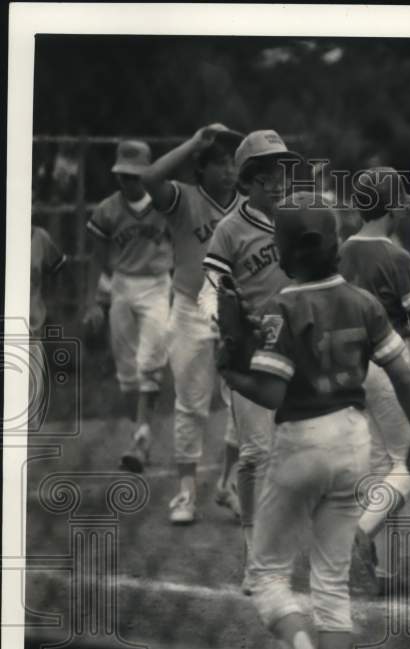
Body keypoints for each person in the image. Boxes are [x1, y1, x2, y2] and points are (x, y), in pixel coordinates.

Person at [222, 191, 410, 649]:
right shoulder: (362, 302)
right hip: (353, 441)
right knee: (332, 584)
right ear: (336, 245)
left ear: (283, 251)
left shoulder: (282, 306)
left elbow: (272, 393)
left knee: (268, 576)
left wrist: (231, 372)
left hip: (301, 440)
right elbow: (401, 372)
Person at [201, 130, 301, 570]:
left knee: (299, 450)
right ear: (248, 181)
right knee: (256, 453)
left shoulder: (298, 219)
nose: (278, 183)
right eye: (267, 176)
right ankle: (253, 554)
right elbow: (212, 288)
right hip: (252, 352)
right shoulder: (230, 229)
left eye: (281, 173)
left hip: (299, 348)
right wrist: (225, 326)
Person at [141, 123, 244, 523]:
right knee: (191, 403)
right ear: (201, 170)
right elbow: (150, 177)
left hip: (236, 311)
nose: (228, 172)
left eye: (232, 165)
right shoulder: (183, 198)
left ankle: (230, 482)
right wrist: (195, 142)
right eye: (218, 165)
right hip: (189, 308)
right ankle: (185, 491)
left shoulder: (248, 204)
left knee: (244, 401)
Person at [338, 166, 410, 592]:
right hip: (387, 363)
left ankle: (380, 570)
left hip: (347, 364)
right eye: (404, 199)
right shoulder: (396, 256)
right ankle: (359, 532)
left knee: (381, 465)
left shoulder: (341, 250)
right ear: (392, 206)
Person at [81, 140, 172, 471]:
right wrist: (93, 301)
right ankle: (141, 432)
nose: (129, 182)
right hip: (121, 285)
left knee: (150, 359)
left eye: (136, 176)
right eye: (124, 175)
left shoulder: (165, 206)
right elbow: (96, 259)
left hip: (157, 284)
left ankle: (141, 440)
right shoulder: (107, 210)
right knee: (127, 375)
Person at [29, 224, 68, 432]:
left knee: (30, 414)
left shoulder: (40, 237)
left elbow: (58, 266)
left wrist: (52, 302)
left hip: (31, 322)